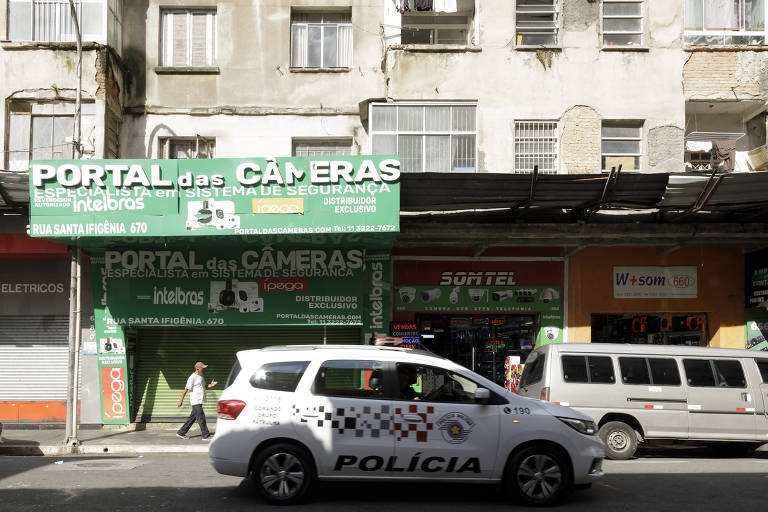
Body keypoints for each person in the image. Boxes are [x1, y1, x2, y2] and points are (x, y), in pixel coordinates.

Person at [176, 361, 217, 440]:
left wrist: (211, 385)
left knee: (192, 418)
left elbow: (204, 387)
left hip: (200, 400)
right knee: (201, 417)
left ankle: (181, 432)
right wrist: (181, 401)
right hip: (195, 400)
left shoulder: (201, 376)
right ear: (198, 368)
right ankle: (206, 435)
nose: (204, 369)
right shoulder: (192, 377)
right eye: (202, 368)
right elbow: (186, 390)